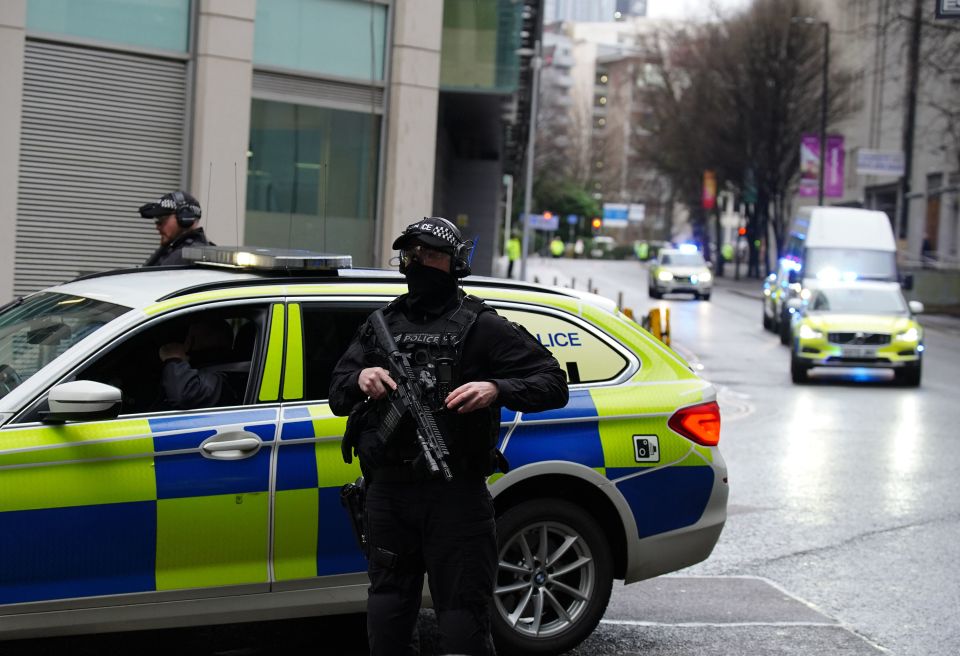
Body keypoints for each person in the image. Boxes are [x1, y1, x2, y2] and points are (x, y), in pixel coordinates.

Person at [329, 217, 568, 656]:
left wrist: (497, 388)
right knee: (387, 619)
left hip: (455, 496)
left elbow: (554, 383)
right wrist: (362, 375)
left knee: (462, 626)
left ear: (456, 263)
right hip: (389, 495)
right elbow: (337, 392)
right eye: (412, 255)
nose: (419, 263)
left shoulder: (483, 325)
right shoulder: (380, 324)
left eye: (431, 255)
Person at [159, 318, 243, 410]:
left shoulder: (223, 376)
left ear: (191, 341)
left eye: (187, 336)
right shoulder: (232, 369)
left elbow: (185, 396)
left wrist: (174, 359)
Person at [139, 191, 212, 266]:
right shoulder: (172, 250)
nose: (157, 227)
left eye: (161, 220)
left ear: (185, 218)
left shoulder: (187, 256)